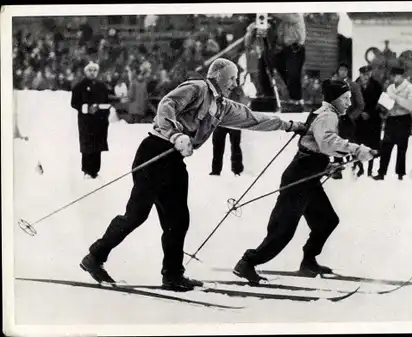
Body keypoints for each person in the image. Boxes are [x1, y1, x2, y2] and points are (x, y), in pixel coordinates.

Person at [80, 58, 306, 292]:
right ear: (217, 75)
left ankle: (173, 275)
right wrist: (175, 135)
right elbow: (167, 105)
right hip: (155, 151)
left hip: (174, 162)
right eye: (231, 78)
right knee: (136, 215)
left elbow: (252, 119)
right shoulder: (197, 88)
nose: (234, 84)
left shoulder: (223, 106)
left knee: (178, 220)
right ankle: (95, 256)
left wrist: (290, 125)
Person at [233, 79, 376, 284]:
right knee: (283, 231)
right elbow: (327, 143)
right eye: (345, 99)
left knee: (327, 221)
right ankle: (247, 262)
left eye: (349, 98)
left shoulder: (325, 113)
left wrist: (325, 165)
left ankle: (308, 261)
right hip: (300, 177)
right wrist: (357, 149)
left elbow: (314, 145)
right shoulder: (327, 116)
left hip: (309, 175)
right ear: (335, 99)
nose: (349, 103)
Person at [70, 61, 115, 179]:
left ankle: (95, 170)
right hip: (86, 121)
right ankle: (86, 170)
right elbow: (74, 103)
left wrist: (102, 110)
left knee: (98, 145)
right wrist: (86, 108)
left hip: (99, 121)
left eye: (94, 70)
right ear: (86, 72)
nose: (92, 73)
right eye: (90, 70)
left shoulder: (102, 86)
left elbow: (107, 101)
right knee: (87, 145)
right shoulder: (79, 87)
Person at [373, 66, 412, 181]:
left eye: (397, 75)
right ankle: (381, 172)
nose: (394, 78)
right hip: (391, 119)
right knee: (386, 146)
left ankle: (400, 173)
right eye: (392, 75)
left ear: (402, 76)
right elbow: (388, 104)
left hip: (404, 119)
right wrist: (383, 107)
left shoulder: (411, 88)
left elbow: (410, 106)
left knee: (402, 147)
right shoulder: (390, 88)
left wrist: (396, 99)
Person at [331, 63, 365, 179]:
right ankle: (337, 170)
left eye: (345, 70)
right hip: (335, 118)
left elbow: (361, 105)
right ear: (337, 71)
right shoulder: (332, 84)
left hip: (348, 120)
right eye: (341, 70)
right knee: (335, 143)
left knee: (351, 144)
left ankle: (358, 167)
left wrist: (351, 117)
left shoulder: (354, 86)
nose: (343, 72)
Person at [210, 83, 248, 176]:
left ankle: (237, 170)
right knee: (217, 146)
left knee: (235, 146)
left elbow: (244, 102)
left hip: (234, 122)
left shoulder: (238, 90)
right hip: (220, 122)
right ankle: (216, 171)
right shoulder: (218, 89)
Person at [355, 65, 384, 177]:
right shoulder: (354, 85)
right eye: (363, 74)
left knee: (372, 144)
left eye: (367, 74)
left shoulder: (377, 86)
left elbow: (379, 103)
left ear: (370, 74)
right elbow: (351, 102)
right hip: (359, 120)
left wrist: (370, 113)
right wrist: (360, 113)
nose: (365, 77)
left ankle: (370, 170)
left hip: (373, 120)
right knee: (357, 144)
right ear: (360, 74)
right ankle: (360, 167)